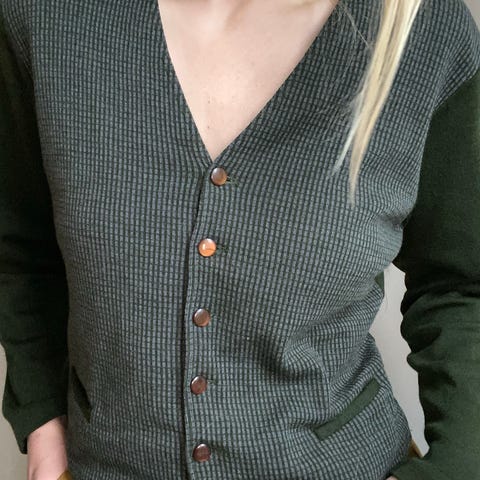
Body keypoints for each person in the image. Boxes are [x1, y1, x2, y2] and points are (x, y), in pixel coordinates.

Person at [0, 0, 478, 478]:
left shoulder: (427, 36)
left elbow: (463, 287)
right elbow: (21, 241)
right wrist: (40, 416)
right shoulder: (46, 16)